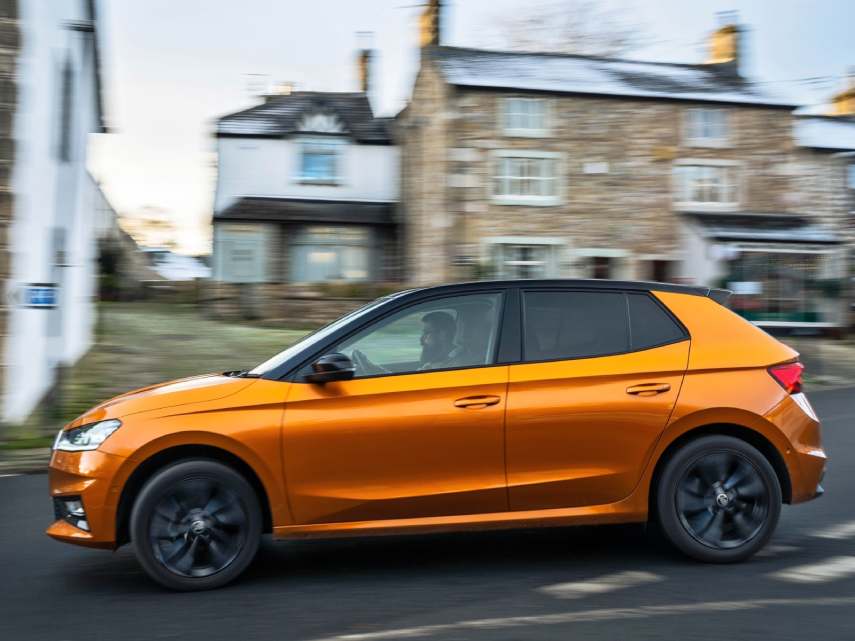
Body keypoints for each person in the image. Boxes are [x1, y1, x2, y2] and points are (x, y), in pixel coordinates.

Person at [352, 310, 457, 375]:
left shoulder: (448, 367)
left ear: (443, 334)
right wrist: (370, 367)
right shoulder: (437, 362)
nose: (421, 340)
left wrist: (370, 368)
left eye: (427, 333)